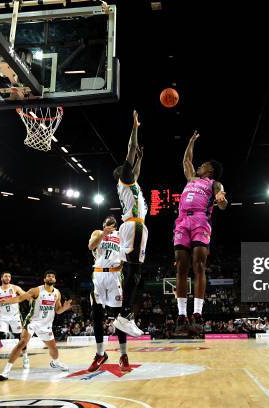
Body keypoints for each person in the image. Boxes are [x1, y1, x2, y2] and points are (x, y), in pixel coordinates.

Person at [174, 131, 228, 333]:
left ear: (210, 170)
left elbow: (221, 199)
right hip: (182, 220)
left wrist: (222, 200)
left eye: (203, 164)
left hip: (200, 220)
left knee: (198, 264)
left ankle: (197, 313)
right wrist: (190, 142)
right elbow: (187, 160)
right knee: (180, 266)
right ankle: (181, 316)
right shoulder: (191, 179)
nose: (199, 166)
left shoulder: (214, 183)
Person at [0, 270, 72, 381]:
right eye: (48, 276)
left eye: (52, 276)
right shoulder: (36, 290)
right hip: (32, 322)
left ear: (55, 280)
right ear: (44, 279)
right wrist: (7, 301)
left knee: (54, 350)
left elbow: (58, 310)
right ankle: (6, 372)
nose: (50, 278)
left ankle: (55, 362)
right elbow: (19, 298)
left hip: (46, 325)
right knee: (22, 343)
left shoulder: (57, 293)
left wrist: (64, 308)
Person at [111, 110, 147, 337]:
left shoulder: (130, 183)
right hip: (134, 226)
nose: (133, 170)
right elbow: (131, 150)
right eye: (131, 168)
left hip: (135, 226)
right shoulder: (124, 178)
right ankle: (124, 315)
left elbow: (137, 169)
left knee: (136, 273)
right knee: (135, 272)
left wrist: (141, 160)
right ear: (123, 173)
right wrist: (135, 127)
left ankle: (125, 315)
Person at [86, 215, 132, 372]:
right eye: (107, 224)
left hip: (114, 276)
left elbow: (129, 252)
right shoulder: (97, 233)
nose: (109, 226)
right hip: (98, 275)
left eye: (112, 224)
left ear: (116, 226)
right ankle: (100, 354)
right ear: (103, 225)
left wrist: (124, 263)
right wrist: (103, 234)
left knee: (119, 317)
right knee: (96, 315)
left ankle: (124, 355)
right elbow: (90, 246)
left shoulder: (121, 235)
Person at [0, 271, 27, 372]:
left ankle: (25, 358)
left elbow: (25, 295)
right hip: (3, 317)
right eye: (5, 276)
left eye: (9, 276)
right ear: (2, 278)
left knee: (20, 338)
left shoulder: (15, 288)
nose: (8, 278)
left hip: (15, 317)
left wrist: (20, 299)